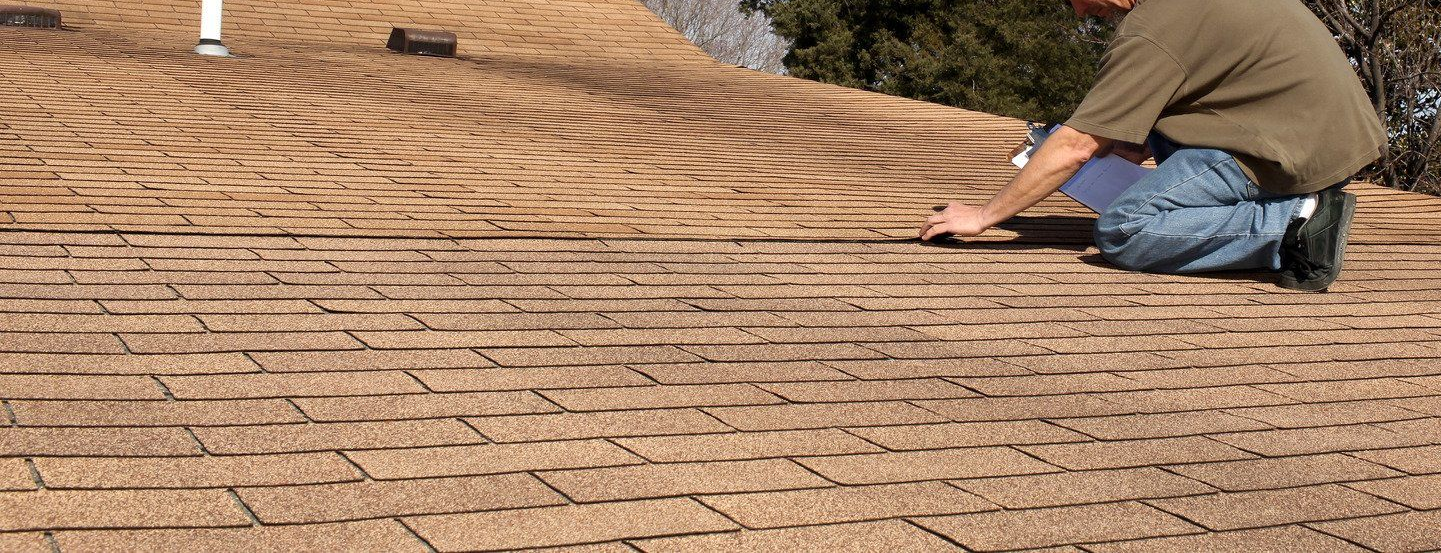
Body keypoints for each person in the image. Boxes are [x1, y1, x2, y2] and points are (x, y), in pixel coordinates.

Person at [918, 0, 1386, 291]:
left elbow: (1078, 144)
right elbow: (1222, 78)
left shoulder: (1153, 28)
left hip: (1279, 150)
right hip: (1324, 136)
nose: (1080, 13)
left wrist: (984, 215)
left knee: (1124, 231)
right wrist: (1139, 141)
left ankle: (1294, 226)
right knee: (1131, 141)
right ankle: (1298, 207)